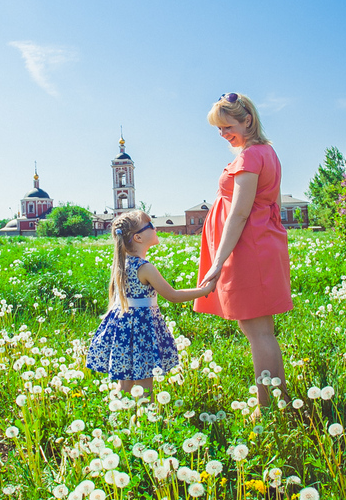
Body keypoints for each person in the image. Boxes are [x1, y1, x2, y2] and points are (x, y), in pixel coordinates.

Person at [195, 92, 293, 407]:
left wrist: (218, 262)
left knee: (257, 333)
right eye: (219, 130)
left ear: (247, 120)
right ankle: (280, 400)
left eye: (227, 127)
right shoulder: (267, 152)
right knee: (263, 332)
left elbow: (239, 213)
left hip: (247, 249)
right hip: (259, 245)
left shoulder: (250, 156)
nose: (223, 135)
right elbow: (273, 203)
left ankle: (266, 410)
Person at [87, 210, 218, 394]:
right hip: (142, 330)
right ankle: (148, 419)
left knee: (124, 385)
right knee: (145, 383)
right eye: (150, 225)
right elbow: (172, 295)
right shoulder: (145, 267)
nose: (155, 228)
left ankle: (122, 417)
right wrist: (204, 290)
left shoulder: (122, 264)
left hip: (122, 330)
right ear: (138, 237)